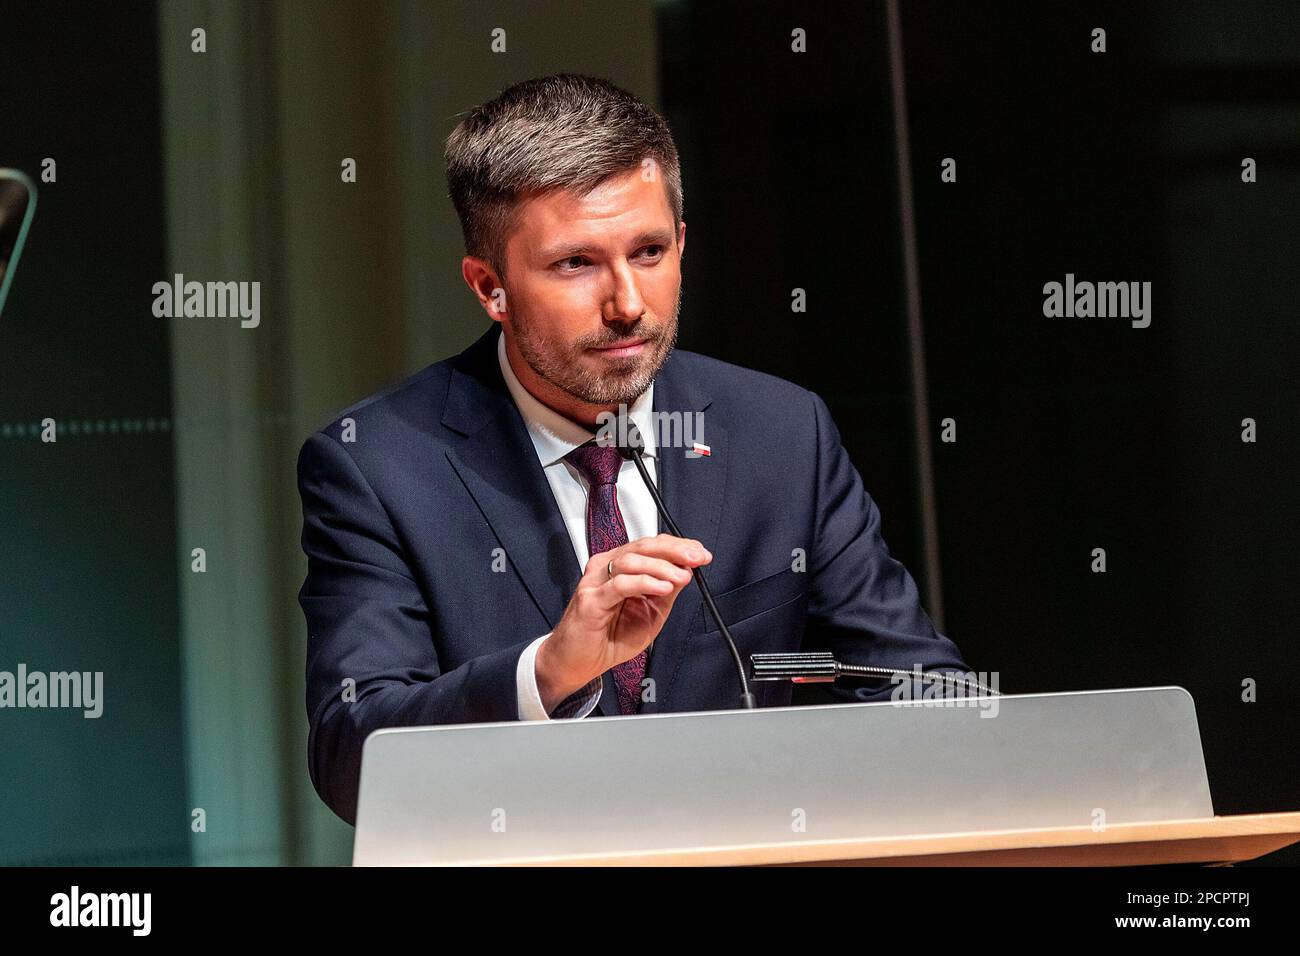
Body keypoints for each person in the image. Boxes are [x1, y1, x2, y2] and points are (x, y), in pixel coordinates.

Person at [297, 73, 970, 825]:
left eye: (648, 251)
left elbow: (915, 685)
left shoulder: (782, 433)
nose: (626, 304)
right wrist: (549, 672)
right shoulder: (377, 466)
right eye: (575, 265)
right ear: (490, 286)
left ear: (682, 244)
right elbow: (353, 758)